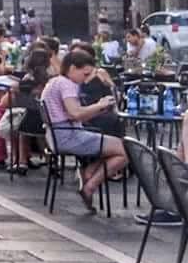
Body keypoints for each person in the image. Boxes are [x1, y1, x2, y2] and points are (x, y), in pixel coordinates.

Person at [40, 49, 128, 212]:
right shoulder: (67, 85)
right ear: (73, 68)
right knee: (125, 150)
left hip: (56, 135)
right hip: (68, 136)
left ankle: (88, 173)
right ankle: (90, 184)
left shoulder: (55, 82)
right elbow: (75, 113)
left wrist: (97, 109)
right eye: (85, 74)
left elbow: (73, 114)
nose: (86, 79)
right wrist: (99, 105)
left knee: (115, 146)